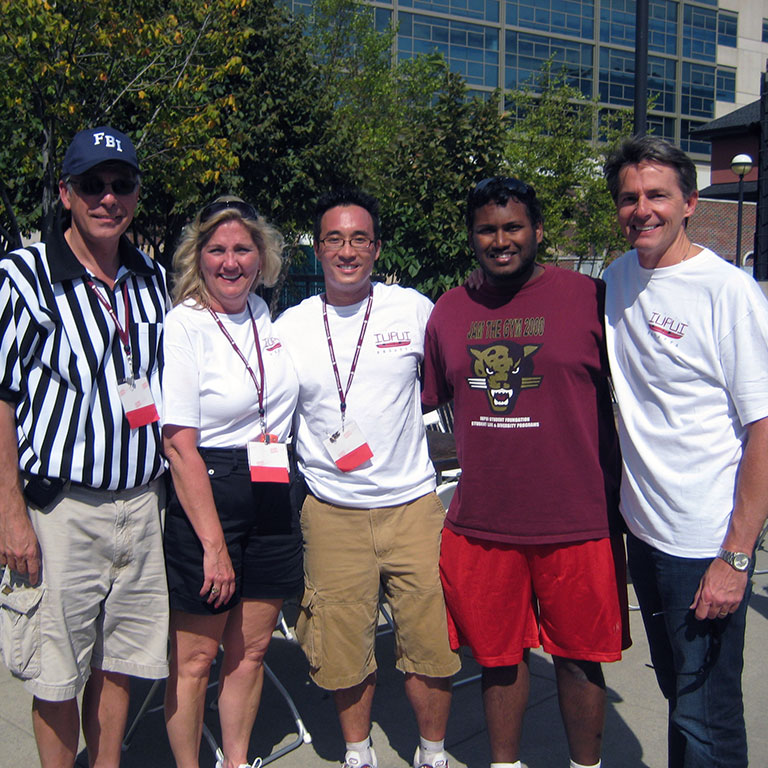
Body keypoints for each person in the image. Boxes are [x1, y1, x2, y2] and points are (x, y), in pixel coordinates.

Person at [422, 177, 629, 768]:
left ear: (537, 231)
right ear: (472, 238)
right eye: (487, 230)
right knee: (498, 658)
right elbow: (433, 405)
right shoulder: (450, 312)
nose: (501, 240)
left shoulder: (592, 299)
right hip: (484, 521)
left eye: (513, 227)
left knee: (579, 657)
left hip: (577, 517)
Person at [0, 126, 169, 766]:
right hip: (61, 512)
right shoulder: (26, 277)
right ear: (66, 192)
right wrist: (9, 513)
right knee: (55, 670)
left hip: (141, 506)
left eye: (120, 183)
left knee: (121, 663)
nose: (107, 198)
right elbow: (2, 398)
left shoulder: (149, 277)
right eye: (92, 184)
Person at [275, 188, 460, 768]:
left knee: (429, 641)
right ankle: (359, 752)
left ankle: (432, 751)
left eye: (359, 238)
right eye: (334, 239)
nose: (347, 250)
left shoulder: (413, 309)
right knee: (340, 641)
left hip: (413, 507)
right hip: (332, 512)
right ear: (319, 248)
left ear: (376, 248)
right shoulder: (292, 325)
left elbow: (453, 389)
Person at [602, 136, 768, 768]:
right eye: (629, 197)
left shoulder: (728, 293)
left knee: (708, 717)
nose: (642, 209)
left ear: (691, 202)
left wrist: (736, 556)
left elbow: (763, 429)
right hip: (645, 534)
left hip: (705, 543)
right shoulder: (616, 279)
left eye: (657, 195)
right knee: (680, 697)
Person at [161, 197, 303, 768]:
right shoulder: (186, 325)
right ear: (198, 257)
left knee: (251, 650)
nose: (230, 261)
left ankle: (237, 760)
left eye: (242, 248)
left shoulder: (264, 315)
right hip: (210, 491)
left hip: (270, 485)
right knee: (196, 660)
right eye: (216, 249)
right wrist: (214, 546)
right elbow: (178, 443)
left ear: (261, 255)